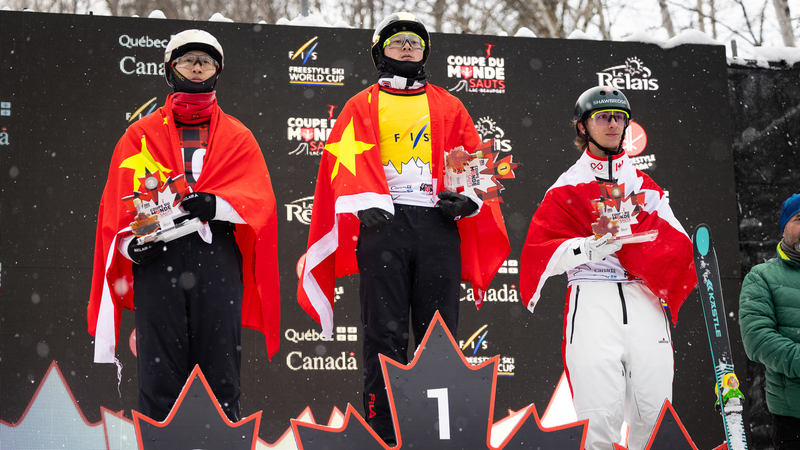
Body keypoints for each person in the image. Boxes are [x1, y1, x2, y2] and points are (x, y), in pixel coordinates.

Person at [297, 12, 509, 446]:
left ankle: (440, 434)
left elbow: (480, 170)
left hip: (437, 226)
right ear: (379, 54)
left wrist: (468, 199)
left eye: (415, 41)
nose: (408, 47)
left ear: (425, 51)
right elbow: (338, 166)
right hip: (384, 227)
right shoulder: (359, 104)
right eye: (397, 43)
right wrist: (362, 201)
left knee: (440, 334)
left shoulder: (451, 105)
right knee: (383, 335)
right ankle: (384, 434)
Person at [87, 29, 280, 423]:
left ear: (217, 71)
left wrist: (217, 205)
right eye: (188, 59)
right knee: (160, 373)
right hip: (158, 261)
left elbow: (261, 204)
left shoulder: (239, 136)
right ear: (169, 69)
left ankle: (224, 438)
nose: (197, 66)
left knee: (220, 369)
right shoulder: (137, 136)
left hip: (217, 257)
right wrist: (130, 247)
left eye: (205, 61)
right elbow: (115, 213)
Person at [520, 86, 696, 450]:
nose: (613, 124)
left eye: (619, 117)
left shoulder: (646, 187)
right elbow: (540, 254)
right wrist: (588, 246)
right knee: (598, 417)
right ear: (583, 127)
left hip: (643, 299)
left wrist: (643, 242)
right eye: (603, 117)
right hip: (592, 298)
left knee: (656, 412)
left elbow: (679, 244)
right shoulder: (566, 187)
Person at [739, 191, 800, 450]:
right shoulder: (761, 276)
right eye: (799, 218)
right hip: (794, 416)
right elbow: (757, 339)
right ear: (784, 226)